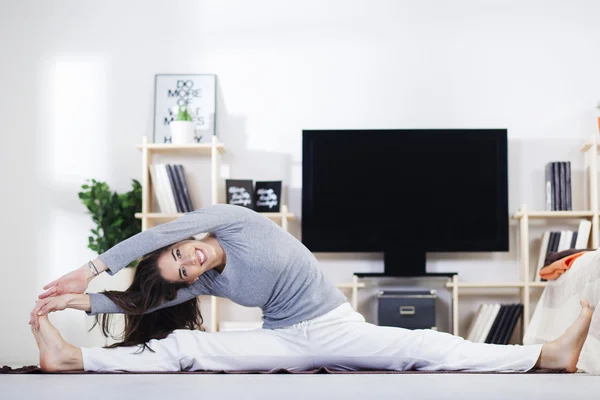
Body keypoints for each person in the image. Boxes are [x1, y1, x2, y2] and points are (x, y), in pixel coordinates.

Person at [29, 204, 593, 373]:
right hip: (286, 340)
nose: (188, 261)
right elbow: (143, 299)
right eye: (183, 271)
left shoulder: (231, 220)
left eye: (181, 253)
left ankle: (547, 354)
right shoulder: (210, 278)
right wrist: (82, 301)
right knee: (189, 349)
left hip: (332, 324)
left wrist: (90, 268)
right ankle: (73, 358)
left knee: (426, 346)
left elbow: (160, 231)